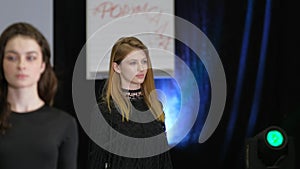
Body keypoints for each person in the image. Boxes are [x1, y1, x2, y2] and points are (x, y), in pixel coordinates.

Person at [0, 22, 78, 169]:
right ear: (2, 63)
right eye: (12, 58)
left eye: (30, 58)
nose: (21, 65)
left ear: (43, 65)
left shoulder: (64, 123)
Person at [87, 36, 173, 169]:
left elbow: (165, 161)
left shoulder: (156, 106)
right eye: (133, 63)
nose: (141, 68)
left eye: (144, 62)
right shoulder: (105, 111)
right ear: (117, 67)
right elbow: (96, 163)